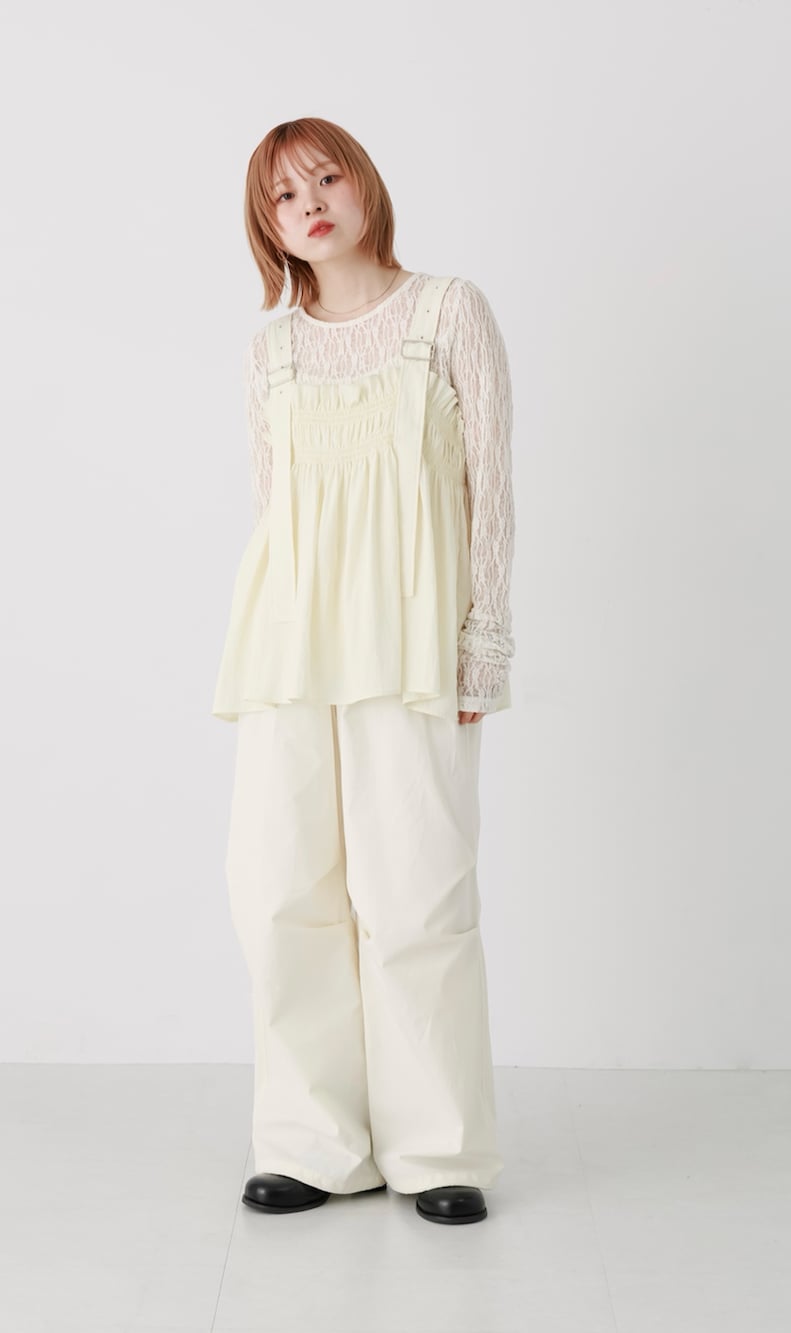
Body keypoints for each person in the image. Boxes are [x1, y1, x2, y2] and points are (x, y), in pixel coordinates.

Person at [211, 117, 516, 1226]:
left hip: (410, 644)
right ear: (269, 228)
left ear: (364, 184)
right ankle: (312, 1143)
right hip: (289, 647)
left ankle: (436, 1149)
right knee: (280, 888)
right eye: (283, 197)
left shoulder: (449, 313)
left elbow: (490, 486)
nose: (309, 205)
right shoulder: (272, 352)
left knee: (417, 888)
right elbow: (275, 509)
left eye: (324, 178)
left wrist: (483, 640)